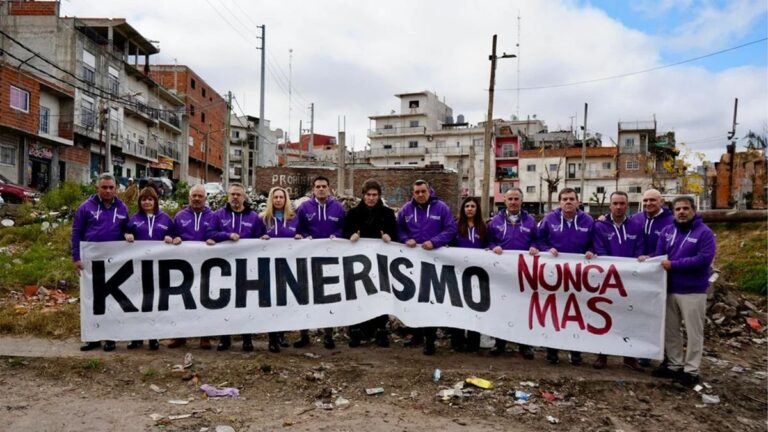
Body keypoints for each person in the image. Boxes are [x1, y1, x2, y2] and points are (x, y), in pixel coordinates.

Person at [645, 197, 716, 387]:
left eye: (685, 208)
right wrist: (647, 259)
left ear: (694, 210)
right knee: (671, 330)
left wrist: (674, 265)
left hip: (693, 290)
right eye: (678, 209)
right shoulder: (668, 231)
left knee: (694, 333)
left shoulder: (704, 233)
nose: (682, 212)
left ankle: (691, 370)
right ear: (673, 212)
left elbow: (704, 259)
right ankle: (674, 365)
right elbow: (660, 256)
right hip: (669, 289)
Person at [396, 179, 458, 355]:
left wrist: (435, 242)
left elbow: (451, 229)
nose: (420, 194)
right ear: (413, 193)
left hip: (435, 261)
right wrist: (405, 239)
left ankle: (430, 340)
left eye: (423, 191)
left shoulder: (441, 208)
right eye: (417, 192)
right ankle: (416, 335)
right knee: (414, 299)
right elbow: (398, 228)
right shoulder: (406, 209)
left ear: (429, 191)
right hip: (413, 262)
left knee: (430, 300)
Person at [536, 187, 595, 365]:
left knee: (576, 314)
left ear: (578, 202)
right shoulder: (549, 219)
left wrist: (591, 251)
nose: (568, 202)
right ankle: (552, 350)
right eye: (564, 199)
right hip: (554, 274)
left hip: (578, 275)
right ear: (559, 202)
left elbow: (595, 242)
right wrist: (547, 249)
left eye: (571, 199)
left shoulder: (588, 221)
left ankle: (575, 351)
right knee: (553, 312)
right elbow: (539, 240)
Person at [72, 173, 129, 352]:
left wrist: (129, 234)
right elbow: (76, 232)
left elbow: (127, 228)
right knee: (92, 299)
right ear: (97, 188)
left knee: (112, 300)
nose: (108, 191)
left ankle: (110, 337)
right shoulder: (85, 207)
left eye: (111, 187)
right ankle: (93, 337)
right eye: (104, 187)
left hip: (114, 261)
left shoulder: (122, 208)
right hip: (91, 261)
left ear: (116, 189)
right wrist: (76, 258)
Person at [590, 191, 645, 371]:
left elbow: (639, 250)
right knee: (604, 316)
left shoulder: (636, 226)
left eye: (622, 203)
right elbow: (599, 250)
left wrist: (634, 266)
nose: (619, 207)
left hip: (629, 280)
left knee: (628, 317)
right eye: (615, 203)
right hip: (607, 279)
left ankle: (629, 356)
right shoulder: (600, 226)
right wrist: (613, 269)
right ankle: (602, 354)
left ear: (627, 205)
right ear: (610, 205)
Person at [209, 182, 266, 352]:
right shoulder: (218, 215)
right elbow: (209, 233)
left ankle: (247, 338)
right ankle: (225, 338)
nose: (235, 197)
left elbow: (260, 236)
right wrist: (227, 235)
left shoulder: (254, 217)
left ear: (244, 197)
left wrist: (264, 239)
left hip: (246, 267)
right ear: (228, 196)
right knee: (225, 302)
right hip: (224, 267)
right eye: (232, 194)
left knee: (245, 302)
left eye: (238, 194)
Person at [293, 176, 347, 349]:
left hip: (330, 259)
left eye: (324, 186)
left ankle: (328, 336)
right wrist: (303, 236)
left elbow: (344, 228)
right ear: (313, 189)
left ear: (329, 188)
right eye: (318, 186)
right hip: (308, 259)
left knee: (328, 297)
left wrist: (336, 236)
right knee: (305, 296)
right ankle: (304, 335)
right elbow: (297, 228)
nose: (321, 189)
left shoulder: (338, 208)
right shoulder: (304, 207)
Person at [343, 179, 397, 348]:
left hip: (380, 263)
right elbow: (344, 234)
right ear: (363, 195)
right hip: (358, 264)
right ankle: (356, 330)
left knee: (380, 295)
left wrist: (389, 237)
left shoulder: (388, 214)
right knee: (357, 294)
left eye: (374, 195)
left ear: (379, 196)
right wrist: (350, 237)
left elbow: (396, 236)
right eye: (368, 195)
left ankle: (380, 330)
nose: (371, 198)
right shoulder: (353, 213)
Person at [486, 188, 538, 359]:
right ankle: (500, 343)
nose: (513, 202)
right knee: (501, 308)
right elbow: (488, 241)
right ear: (505, 201)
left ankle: (524, 345)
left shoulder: (530, 221)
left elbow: (538, 240)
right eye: (510, 199)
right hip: (502, 273)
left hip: (523, 273)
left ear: (522, 201)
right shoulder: (495, 221)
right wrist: (494, 247)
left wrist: (534, 247)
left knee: (523, 309)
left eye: (516, 199)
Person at [167, 184, 219, 350]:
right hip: (184, 267)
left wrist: (215, 240)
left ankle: (205, 336)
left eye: (200, 196)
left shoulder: (213, 216)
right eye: (194, 196)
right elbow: (171, 234)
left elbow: (218, 234)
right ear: (189, 197)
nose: (196, 199)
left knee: (205, 300)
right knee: (181, 301)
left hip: (206, 266)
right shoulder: (180, 216)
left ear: (205, 198)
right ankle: (180, 336)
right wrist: (174, 238)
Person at [124, 187, 175, 351]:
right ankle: (136, 337)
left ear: (155, 201)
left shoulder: (166, 219)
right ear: (140, 202)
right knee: (137, 302)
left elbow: (176, 236)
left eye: (150, 199)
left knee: (154, 303)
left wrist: (171, 238)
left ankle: (154, 336)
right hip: (139, 268)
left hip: (158, 268)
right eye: (144, 199)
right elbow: (123, 235)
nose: (147, 202)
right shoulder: (134, 219)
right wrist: (126, 236)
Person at [628, 188, 675, 367]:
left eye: (653, 200)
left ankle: (666, 356)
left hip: (661, 274)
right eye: (646, 200)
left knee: (662, 316)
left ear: (661, 201)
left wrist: (652, 258)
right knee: (641, 313)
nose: (648, 203)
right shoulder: (636, 219)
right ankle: (644, 352)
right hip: (640, 275)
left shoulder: (671, 221)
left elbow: (671, 247)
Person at [260, 186, 302, 353]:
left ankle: (281, 335)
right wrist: (260, 239)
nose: (278, 200)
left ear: (286, 200)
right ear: (271, 199)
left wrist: (300, 237)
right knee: (271, 303)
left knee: (284, 302)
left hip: (288, 267)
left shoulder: (294, 218)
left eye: (281, 197)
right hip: (268, 267)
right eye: (275, 197)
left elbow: (303, 235)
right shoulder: (263, 219)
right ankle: (272, 338)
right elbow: (253, 239)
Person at [449, 196, 487, 353]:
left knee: (475, 308)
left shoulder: (484, 227)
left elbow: (490, 244)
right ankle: (457, 341)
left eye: (473, 206)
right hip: (458, 274)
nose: (470, 209)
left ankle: (473, 342)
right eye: (467, 206)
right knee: (458, 307)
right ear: (463, 209)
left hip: (478, 275)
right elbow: (448, 244)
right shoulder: (455, 226)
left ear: (477, 209)